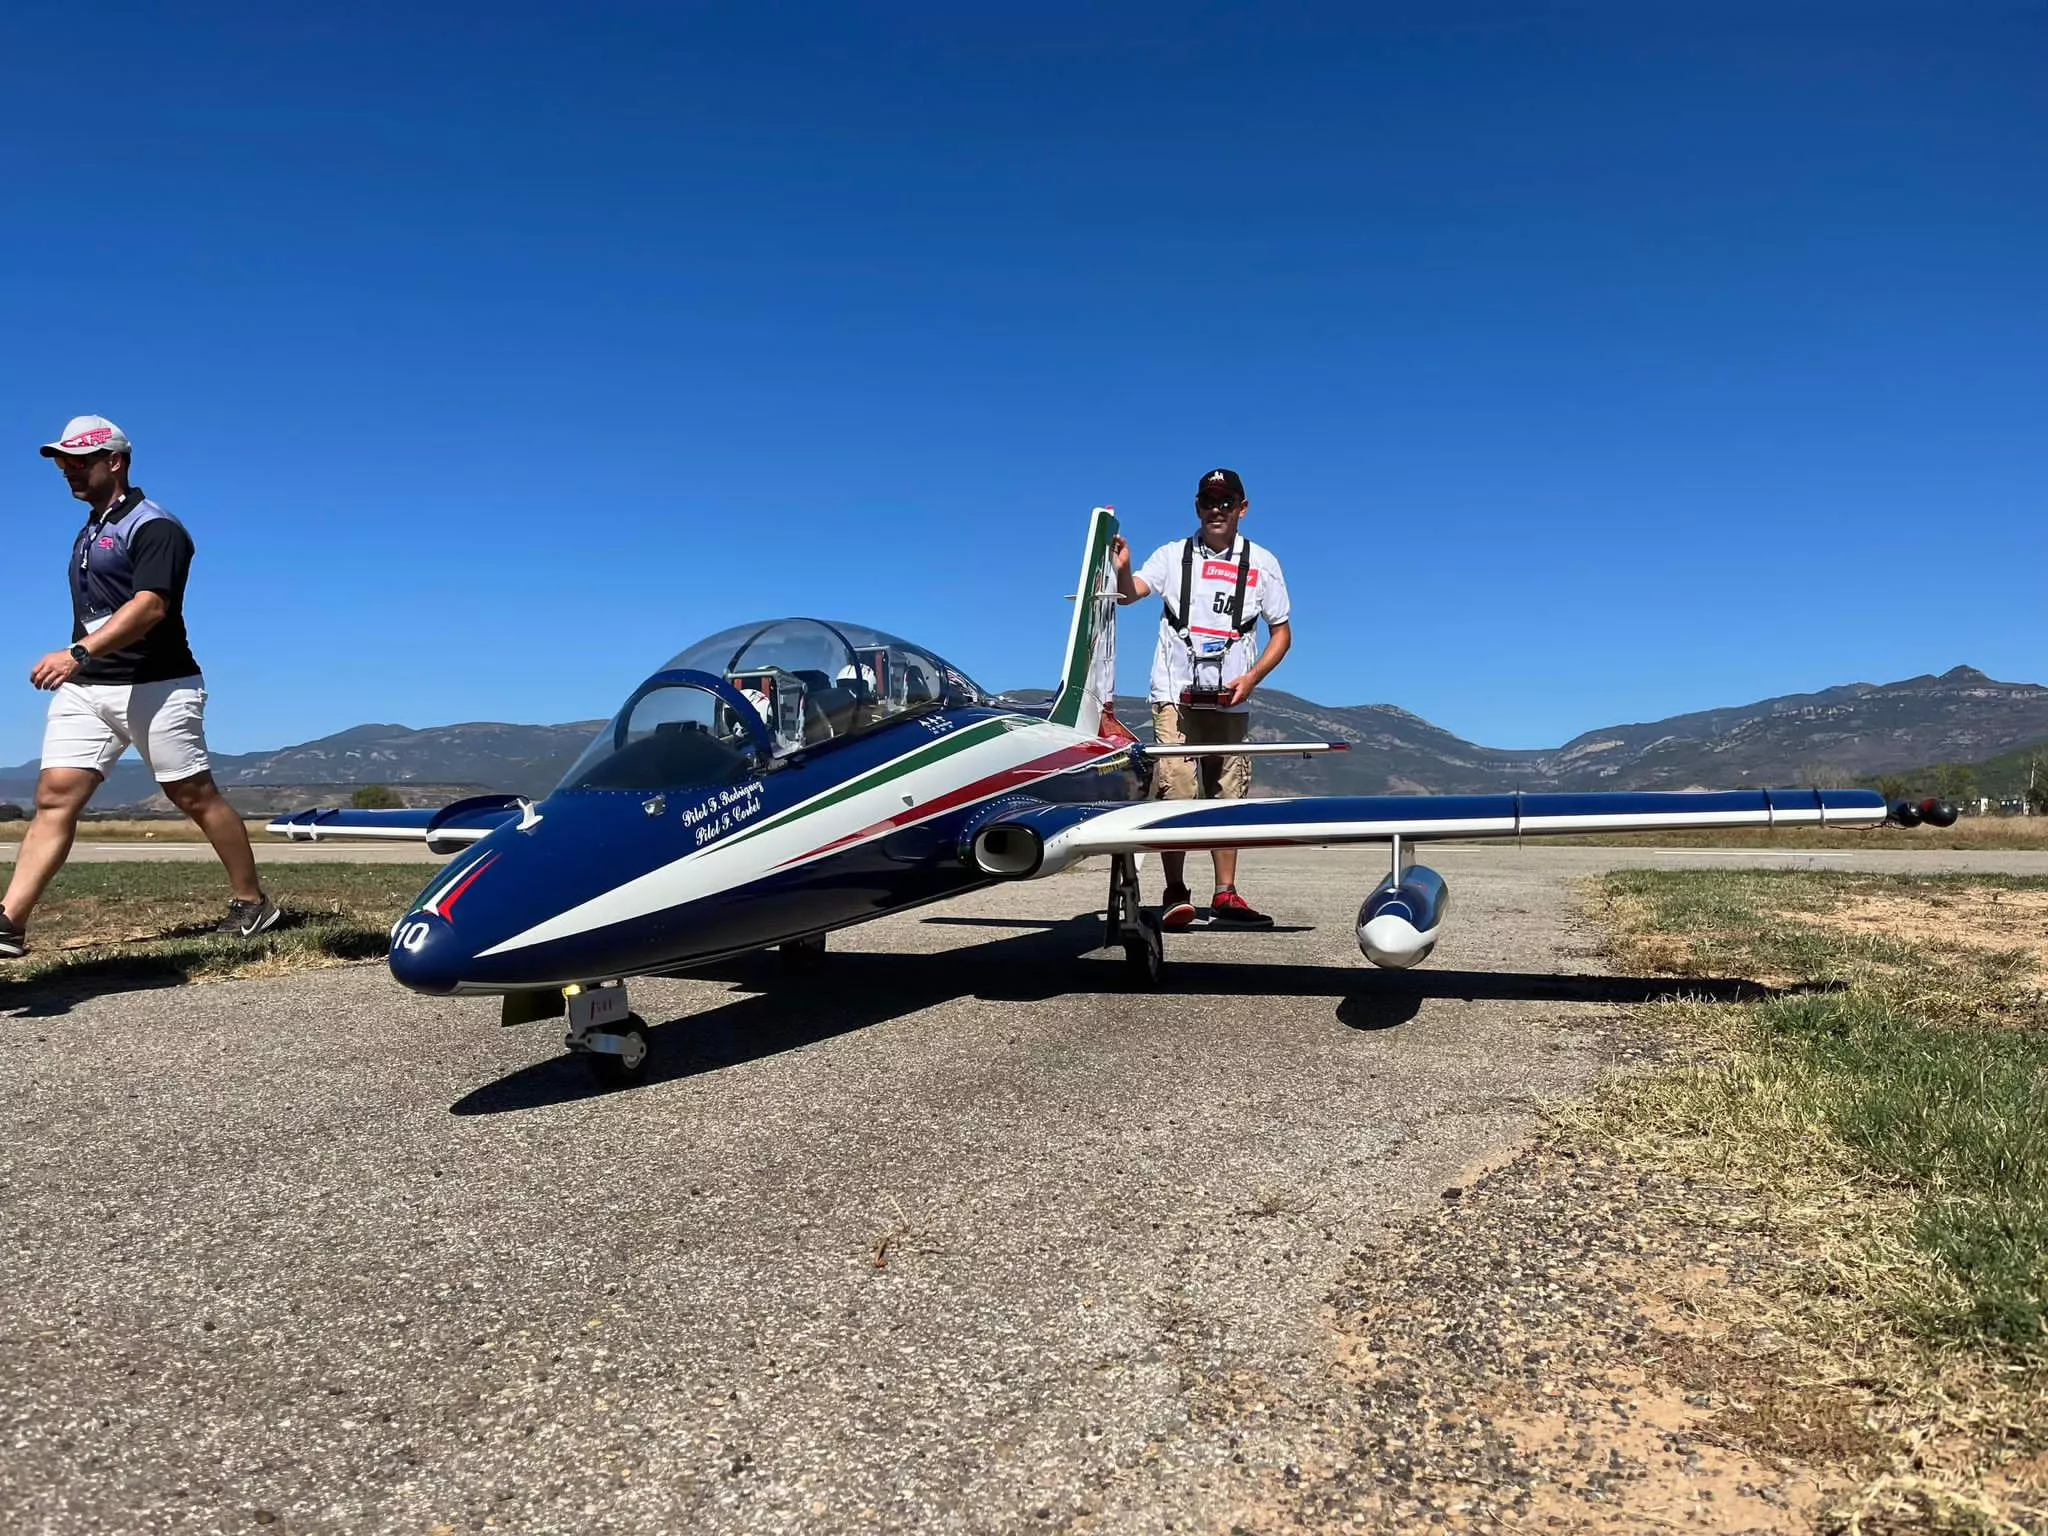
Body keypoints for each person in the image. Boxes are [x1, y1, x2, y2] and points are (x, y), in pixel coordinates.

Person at [0, 416, 279, 959]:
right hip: (89, 688)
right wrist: (83, 662)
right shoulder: (90, 529)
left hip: (158, 683)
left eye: (78, 462)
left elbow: (151, 606)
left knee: (192, 795)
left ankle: (252, 901)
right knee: (54, 798)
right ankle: (9, 922)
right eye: (63, 463)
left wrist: (77, 652)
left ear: (115, 460)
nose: (67, 472)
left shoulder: (156, 527)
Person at [1111, 467, 1293, 929]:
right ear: (1197, 508)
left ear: (1242, 509)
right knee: (1176, 785)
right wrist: (1124, 568)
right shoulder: (1173, 556)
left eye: (1227, 502)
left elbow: (1282, 633)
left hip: (1233, 696)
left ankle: (1226, 893)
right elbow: (1131, 594)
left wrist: (1250, 679)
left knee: (1228, 791)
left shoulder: (1263, 562)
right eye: (1209, 502)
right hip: (1175, 692)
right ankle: (1174, 890)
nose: (1217, 510)